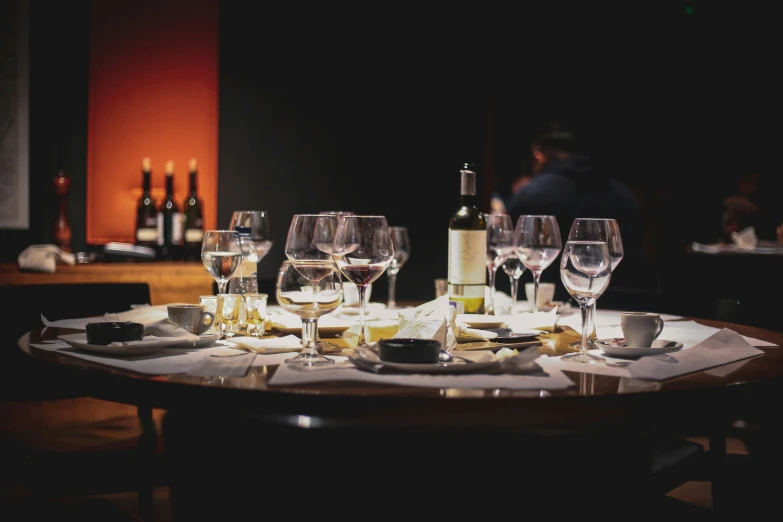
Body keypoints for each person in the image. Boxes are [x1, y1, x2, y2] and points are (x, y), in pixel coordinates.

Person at [502, 126, 642, 254]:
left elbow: (506, 239)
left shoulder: (531, 192)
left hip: (547, 280)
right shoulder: (624, 194)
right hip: (623, 280)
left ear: (539, 155)